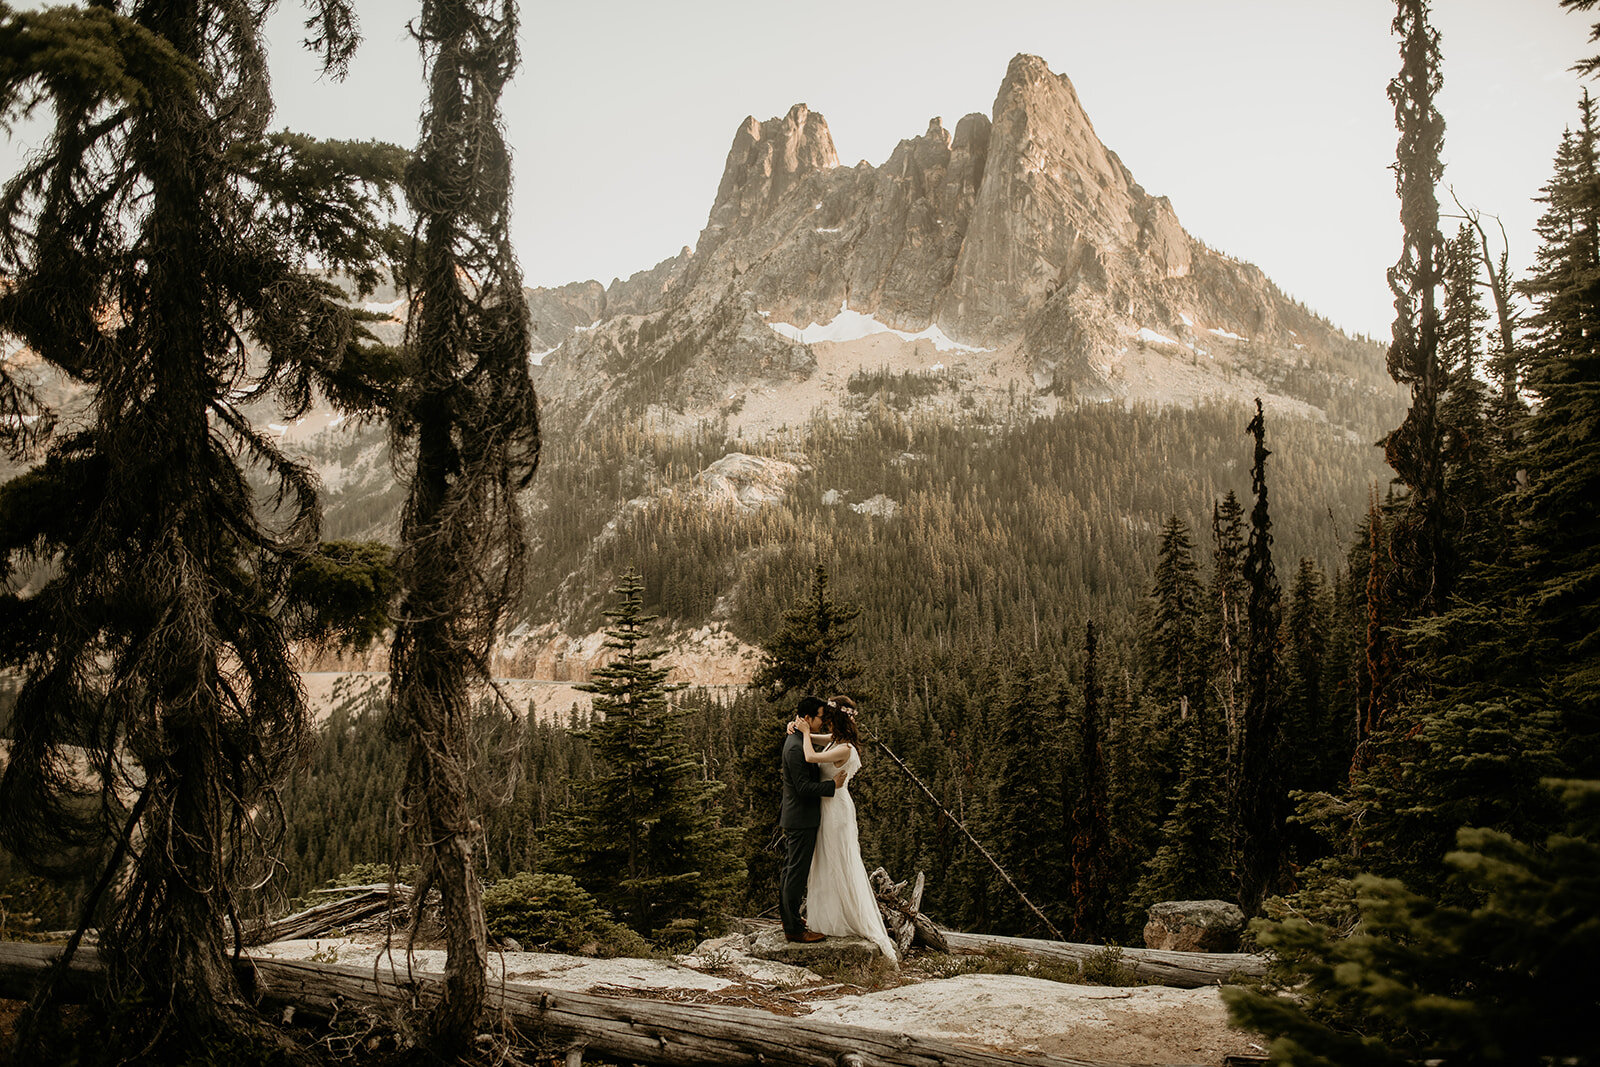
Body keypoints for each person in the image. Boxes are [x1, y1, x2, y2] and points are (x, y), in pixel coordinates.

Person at [792, 694, 899, 963]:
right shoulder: (837, 740)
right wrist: (796, 728)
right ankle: (830, 917)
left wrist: (804, 732)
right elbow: (818, 740)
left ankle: (846, 919)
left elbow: (809, 755)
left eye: (829, 716)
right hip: (829, 805)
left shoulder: (845, 748)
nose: (825, 720)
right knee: (826, 861)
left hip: (835, 809)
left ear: (837, 719)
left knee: (838, 860)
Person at [779, 695, 848, 943]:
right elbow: (803, 788)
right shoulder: (797, 747)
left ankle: (790, 920)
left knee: (791, 871)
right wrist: (832, 785)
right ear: (808, 718)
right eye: (820, 717)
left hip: (798, 816)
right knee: (795, 874)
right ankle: (794, 930)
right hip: (801, 818)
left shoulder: (797, 738)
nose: (823, 721)